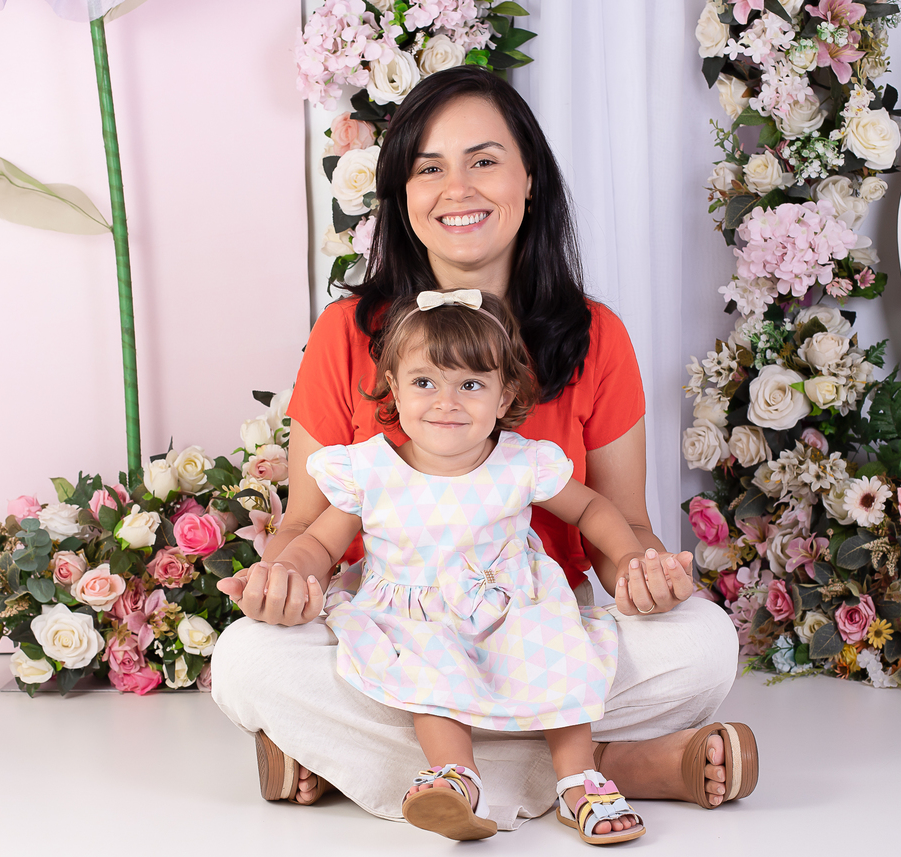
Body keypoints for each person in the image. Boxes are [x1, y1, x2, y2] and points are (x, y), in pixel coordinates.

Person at [212, 65, 756, 832]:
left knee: (703, 643)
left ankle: (366, 762)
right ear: (403, 193)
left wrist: (643, 574)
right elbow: (308, 528)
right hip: (396, 623)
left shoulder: (596, 336)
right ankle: (612, 765)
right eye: (429, 167)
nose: (457, 188)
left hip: (535, 625)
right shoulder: (345, 333)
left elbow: (620, 522)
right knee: (247, 658)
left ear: (529, 178)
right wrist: (285, 581)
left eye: (483, 160)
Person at [272, 287, 649, 843]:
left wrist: (632, 556)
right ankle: (456, 776)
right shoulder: (371, 471)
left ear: (504, 396)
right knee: (426, 663)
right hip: (414, 614)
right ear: (393, 388)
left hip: (513, 605)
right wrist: (285, 570)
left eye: (470, 385)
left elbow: (592, 507)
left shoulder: (521, 463)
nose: (446, 402)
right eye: (425, 382)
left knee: (558, 647)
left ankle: (578, 777)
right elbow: (319, 545)